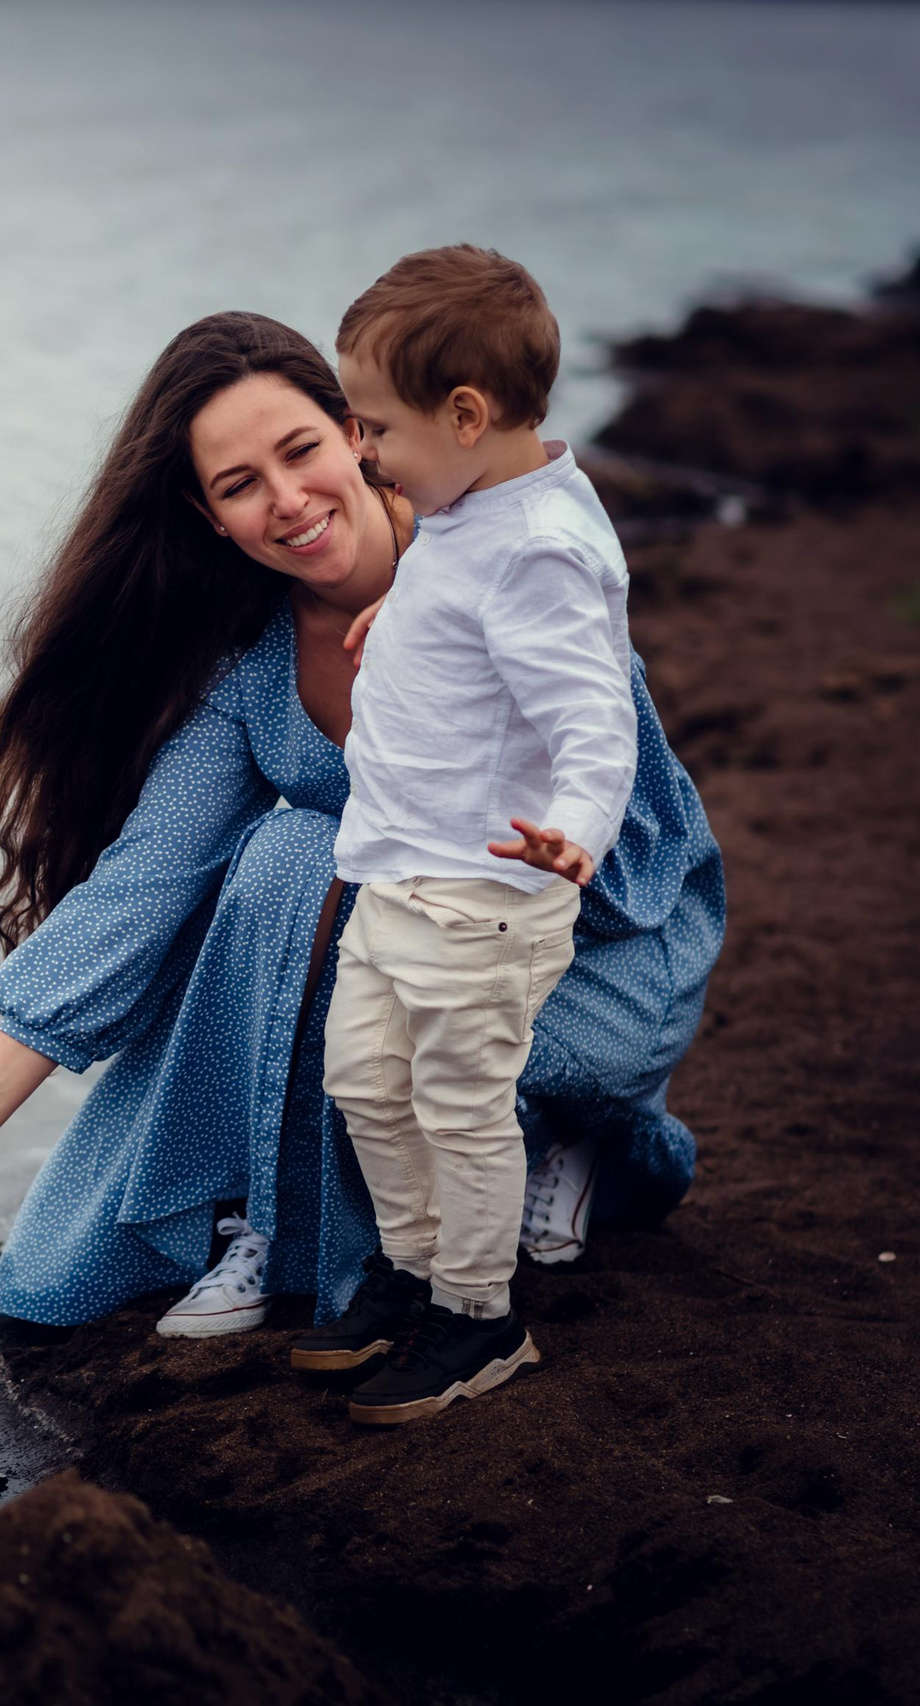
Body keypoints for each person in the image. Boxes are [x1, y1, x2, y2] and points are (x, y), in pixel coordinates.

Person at [0, 312, 724, 1347]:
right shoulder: (255, 668)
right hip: (414, 969)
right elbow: (145, 880)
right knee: (293, 862)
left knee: (322, 863)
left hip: (600, 947)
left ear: (356, 433)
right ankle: (273, 1209)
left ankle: (576, 1132)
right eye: (240, 484)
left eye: (300, 449)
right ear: (210, 517)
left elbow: (630, 831)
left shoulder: (502, 564)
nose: (288, 500)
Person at [312, 246, 632, 1426]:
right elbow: (467, 586)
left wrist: (576, 831)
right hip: (398, 870)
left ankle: (478, 1313)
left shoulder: (540, 546)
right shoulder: (474, 506)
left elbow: (593, 718)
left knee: (458, 1104)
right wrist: (404, 610)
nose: (360, 453)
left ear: (463, 414)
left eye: (375, 427)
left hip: (481, 894)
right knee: (364, 1081)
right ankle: (411, 1267)